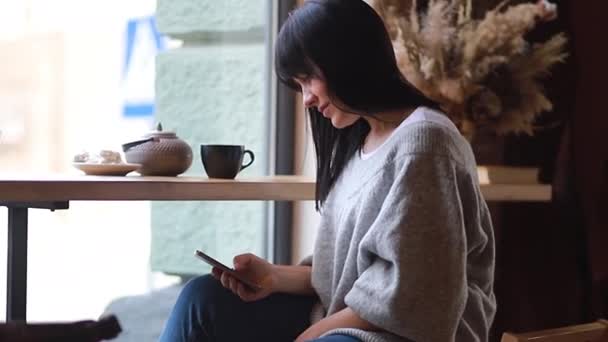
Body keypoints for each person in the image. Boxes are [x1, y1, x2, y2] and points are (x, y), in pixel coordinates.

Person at [158, 0, 496, 341]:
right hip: (346, 320)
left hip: (406, 334)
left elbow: (411, 299)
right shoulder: (361, 140)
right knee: (202, 298)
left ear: (345, 61)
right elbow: (345, 277)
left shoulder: (424, 143)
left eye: (307, 79)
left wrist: (308, 336)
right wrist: (271, 277)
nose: (305, 99)